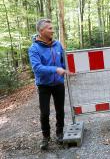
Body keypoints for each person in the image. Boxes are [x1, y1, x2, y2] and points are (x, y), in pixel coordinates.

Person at [29, 18, 67, 150]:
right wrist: (55, 69)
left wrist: (66, 68)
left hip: (58, 84)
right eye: (50, 28)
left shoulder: (58, 45)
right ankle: (46, 137)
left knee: (60, 110)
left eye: (52, 28)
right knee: (44, 113)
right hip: (44, 85)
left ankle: (59, 133)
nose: (53, 30)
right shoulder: (34, 48)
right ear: (41, 31)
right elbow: (37, 68)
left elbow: (63, 62)